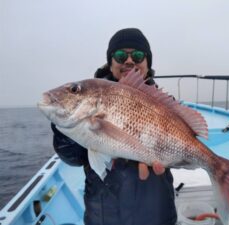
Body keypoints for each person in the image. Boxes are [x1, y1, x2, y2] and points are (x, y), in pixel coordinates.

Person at [51, 28, 177, 225]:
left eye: (137, 55)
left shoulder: (166, 105)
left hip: (157, 211)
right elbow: (74, 158)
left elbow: (181, 148)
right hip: (105, 214)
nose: (129, 61)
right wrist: (64, 125)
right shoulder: (89, 98)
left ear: (147, 62)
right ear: (110, 63)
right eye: (120, 55)